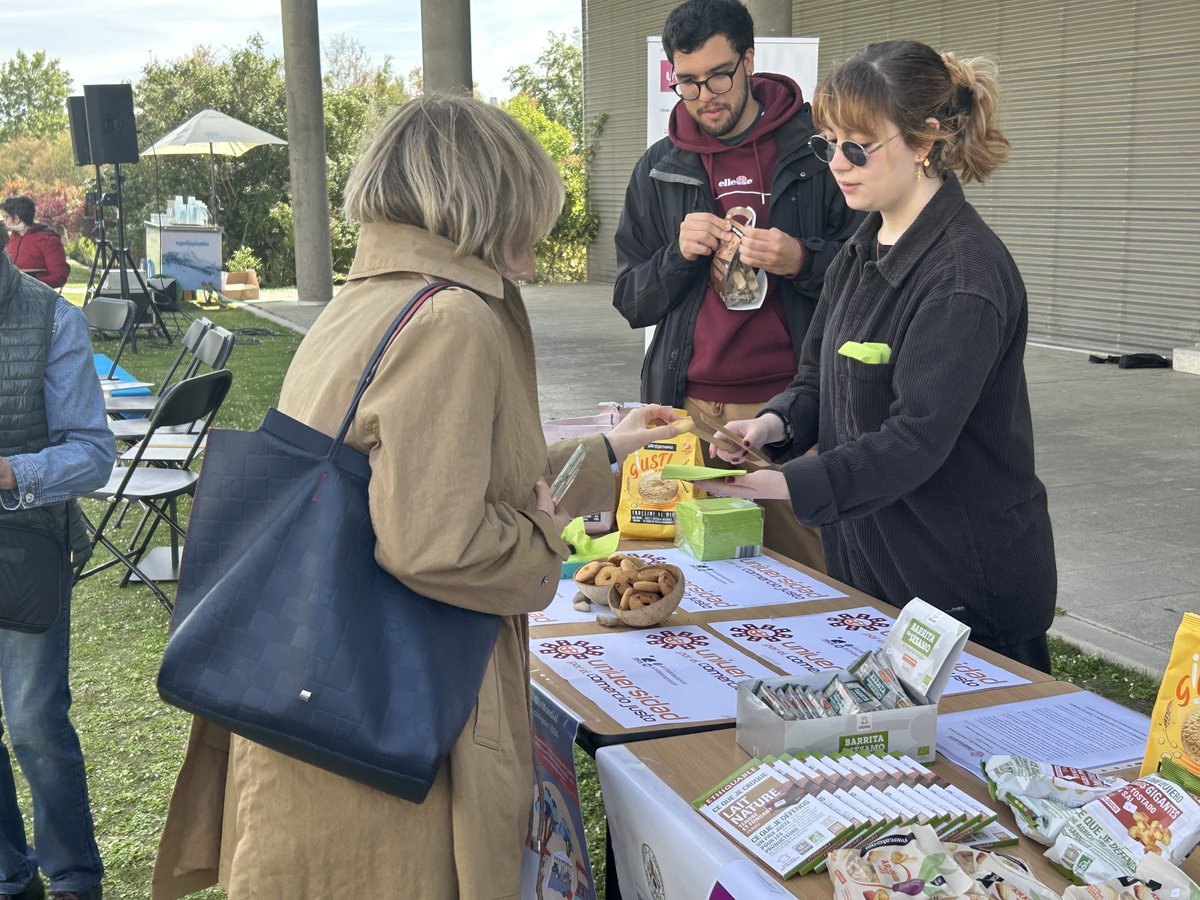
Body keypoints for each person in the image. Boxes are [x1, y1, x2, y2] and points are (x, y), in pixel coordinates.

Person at [152, 95, 690, 899]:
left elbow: (437, 474)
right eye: (531, 219)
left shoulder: (367, 297)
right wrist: (543, 545)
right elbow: (437, 542)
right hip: (394, 724)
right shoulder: (450, 320)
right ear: (485, 205)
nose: (538, 252)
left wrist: (604, 452)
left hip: (318, 696)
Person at [709, 40, 1057, 673]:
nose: (837, 164)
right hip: (876, 567)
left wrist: (786, 484)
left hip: (964, 583)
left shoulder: (962, 277)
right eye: (828, 144)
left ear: (924, 140)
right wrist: (772, 424)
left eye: (857, 147)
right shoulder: (859, 249)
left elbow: (915, 439)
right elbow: (818, 379)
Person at [612, 0, 862, 572]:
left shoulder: (820, 152)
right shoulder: (658, 168)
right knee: (696, 577)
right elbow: (630, 299)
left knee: (817, 578)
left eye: (720, 75)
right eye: (689, 83)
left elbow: (868, 279)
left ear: (750, 60)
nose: (705, 96)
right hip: (688, 412)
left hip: (795, 414)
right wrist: (677, 256)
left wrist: (802, 259)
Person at [0, 222, 113, 899]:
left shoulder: (53, 321)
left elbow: (93, 454)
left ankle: (73, 877)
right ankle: (11, 875)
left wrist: (10, 472)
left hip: (28, 550)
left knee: (35, 719)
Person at [2, 198, 70, 291]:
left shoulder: (47, 240)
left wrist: (29, 283)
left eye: (6, 217)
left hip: (36, 298)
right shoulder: (11, 239)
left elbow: (59, 277)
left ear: (17, 219)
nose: (4, 220)